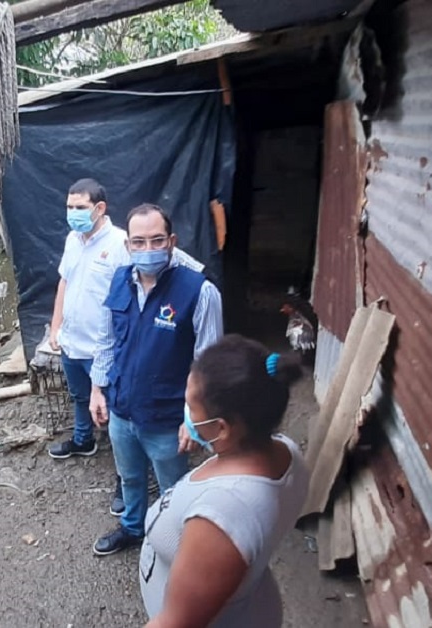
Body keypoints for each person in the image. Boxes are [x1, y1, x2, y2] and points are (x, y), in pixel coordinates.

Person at [140, 334, 310, 628]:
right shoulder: (284, 449)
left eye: (191, 408)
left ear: (222, 428)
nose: (187, 417)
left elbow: (174, 623)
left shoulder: (223, 514)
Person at [88, 203, 223, 555]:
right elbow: (106, 341)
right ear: (128, 245)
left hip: (165, 419)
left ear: (172, 241)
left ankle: (173, 546)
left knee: (172, 489)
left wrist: (192, 417)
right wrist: (97, 389)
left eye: (157, 240)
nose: (148, 250)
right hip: (122, 410)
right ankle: (132, 529)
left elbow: (207, 364)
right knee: (130, 479)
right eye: (139, 242)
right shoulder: (119, 279)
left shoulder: (199, 291)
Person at [47, 178, 129, 515]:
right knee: (80, 398)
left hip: (104, 348)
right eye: (69, 207)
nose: (73, 213)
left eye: (79, 207)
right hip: (72, 342)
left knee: (119, 415)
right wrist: (56, 327)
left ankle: (127, 478)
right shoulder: (72, 239)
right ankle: (83, 441)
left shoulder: (121, 242)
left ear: (99, 208)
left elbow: (128, 299)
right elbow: (64, 280)